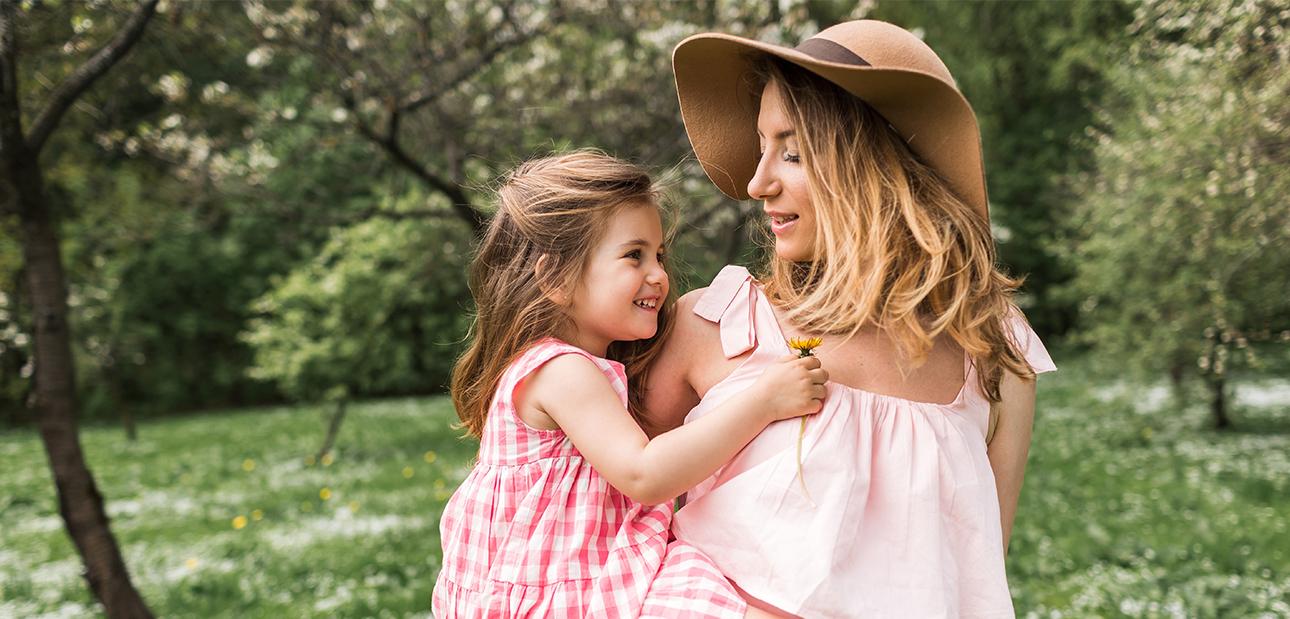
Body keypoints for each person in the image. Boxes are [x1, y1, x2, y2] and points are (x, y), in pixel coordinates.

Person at [644, 20, 1058, 617]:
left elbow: (978, 567)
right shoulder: (718, 325)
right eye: (761, 149)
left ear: (873, 165)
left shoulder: (991, 347)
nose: (758, 183)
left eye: (791, 151)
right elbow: (605, 514)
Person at [431, 150, 828, 618]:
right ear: (555, 277)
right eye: (633, 256)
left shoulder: (575, 366)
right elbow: (645, 475)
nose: (659, 275)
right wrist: (763, 401)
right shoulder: (562, 371)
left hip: (588, 565)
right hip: (569, 588)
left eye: (658, 254)